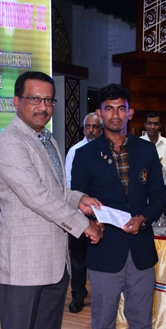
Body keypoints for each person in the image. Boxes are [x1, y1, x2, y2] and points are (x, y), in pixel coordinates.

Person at [0, 71, 103, 329]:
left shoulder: (47, 139)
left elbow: (53, 191)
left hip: (53, 264)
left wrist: (78, 199)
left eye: (48, 100)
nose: (43, 106)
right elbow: (36, 197)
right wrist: (83, 225)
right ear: (17, 101)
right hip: (22, 265)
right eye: (34, 99)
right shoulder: (9, 142)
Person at [72, 84, 166, 329]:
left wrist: (143, 218)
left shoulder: (146, 150)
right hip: (104, 253)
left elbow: (159, 197)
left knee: (141, 328)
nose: (115, 115)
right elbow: (77, 201)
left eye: (121, 108)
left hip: (140, 254)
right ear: (100, 113)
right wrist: (90, 220)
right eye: (109, 109)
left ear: (130, 112)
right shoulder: (85, 155)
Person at [65, 112, 103, 313]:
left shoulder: (107, 150)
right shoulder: (75, 151)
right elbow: (68, 185)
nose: (91, 130)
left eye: (95, 127)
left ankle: (102, 296)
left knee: (101, 256)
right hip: (80, 211)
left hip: (104, 213)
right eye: (88, 127)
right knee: (78, 257)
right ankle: (78, 295)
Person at [140, 111, 166, 190]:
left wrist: (161, 166)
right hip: (142, 189)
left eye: (156, 124)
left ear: (160, 126)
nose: (152, 127)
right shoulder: (138, 143)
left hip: (164, 189)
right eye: (149, 123)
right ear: (145, 125)